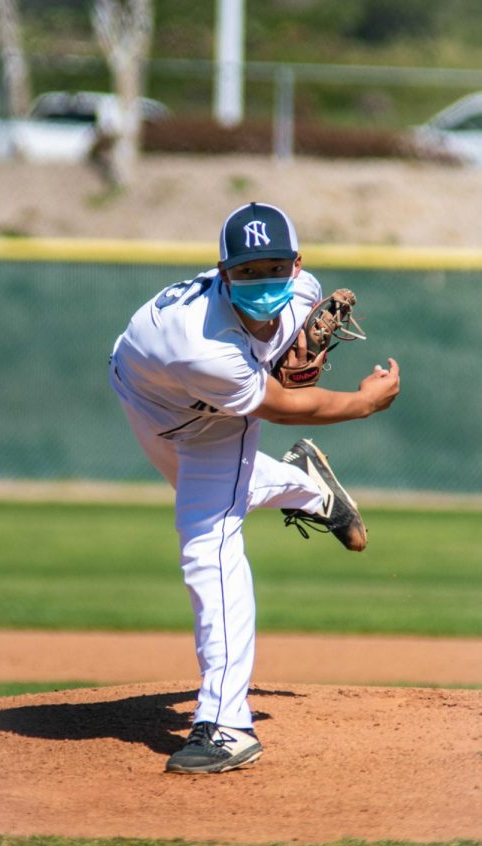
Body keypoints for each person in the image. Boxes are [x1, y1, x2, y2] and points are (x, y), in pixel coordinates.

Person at [109, 201, 400, 774]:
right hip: (153, 398)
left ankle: (226, 723)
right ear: (222, 273)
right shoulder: (201, 345)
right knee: (210, 494)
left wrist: (286, 353)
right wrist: (364, 403)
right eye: (246, 271)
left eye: (274, 267)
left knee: (208, 540)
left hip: (217, 422)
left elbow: (281, 365)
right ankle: (309, 488)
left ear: (296, 266)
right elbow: (288, 405)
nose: (262, 279)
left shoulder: (300, 291)